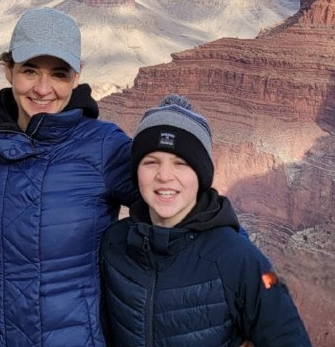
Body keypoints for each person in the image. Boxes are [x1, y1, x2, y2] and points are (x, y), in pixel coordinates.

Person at [0, 7, 137, 347]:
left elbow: (177, 208)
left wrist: (247, 281)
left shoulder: (103, 146)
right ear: (9, 71)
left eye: (59, 74)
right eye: (30, 71)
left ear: (77, 77)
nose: (42, 88)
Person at [100, 94, 312, 346]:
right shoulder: (114, 245)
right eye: (151, 162)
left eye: (181, 163)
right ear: (136, 171)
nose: (164, 175)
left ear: (201, 175)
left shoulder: (239, 258)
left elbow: (287, 336)